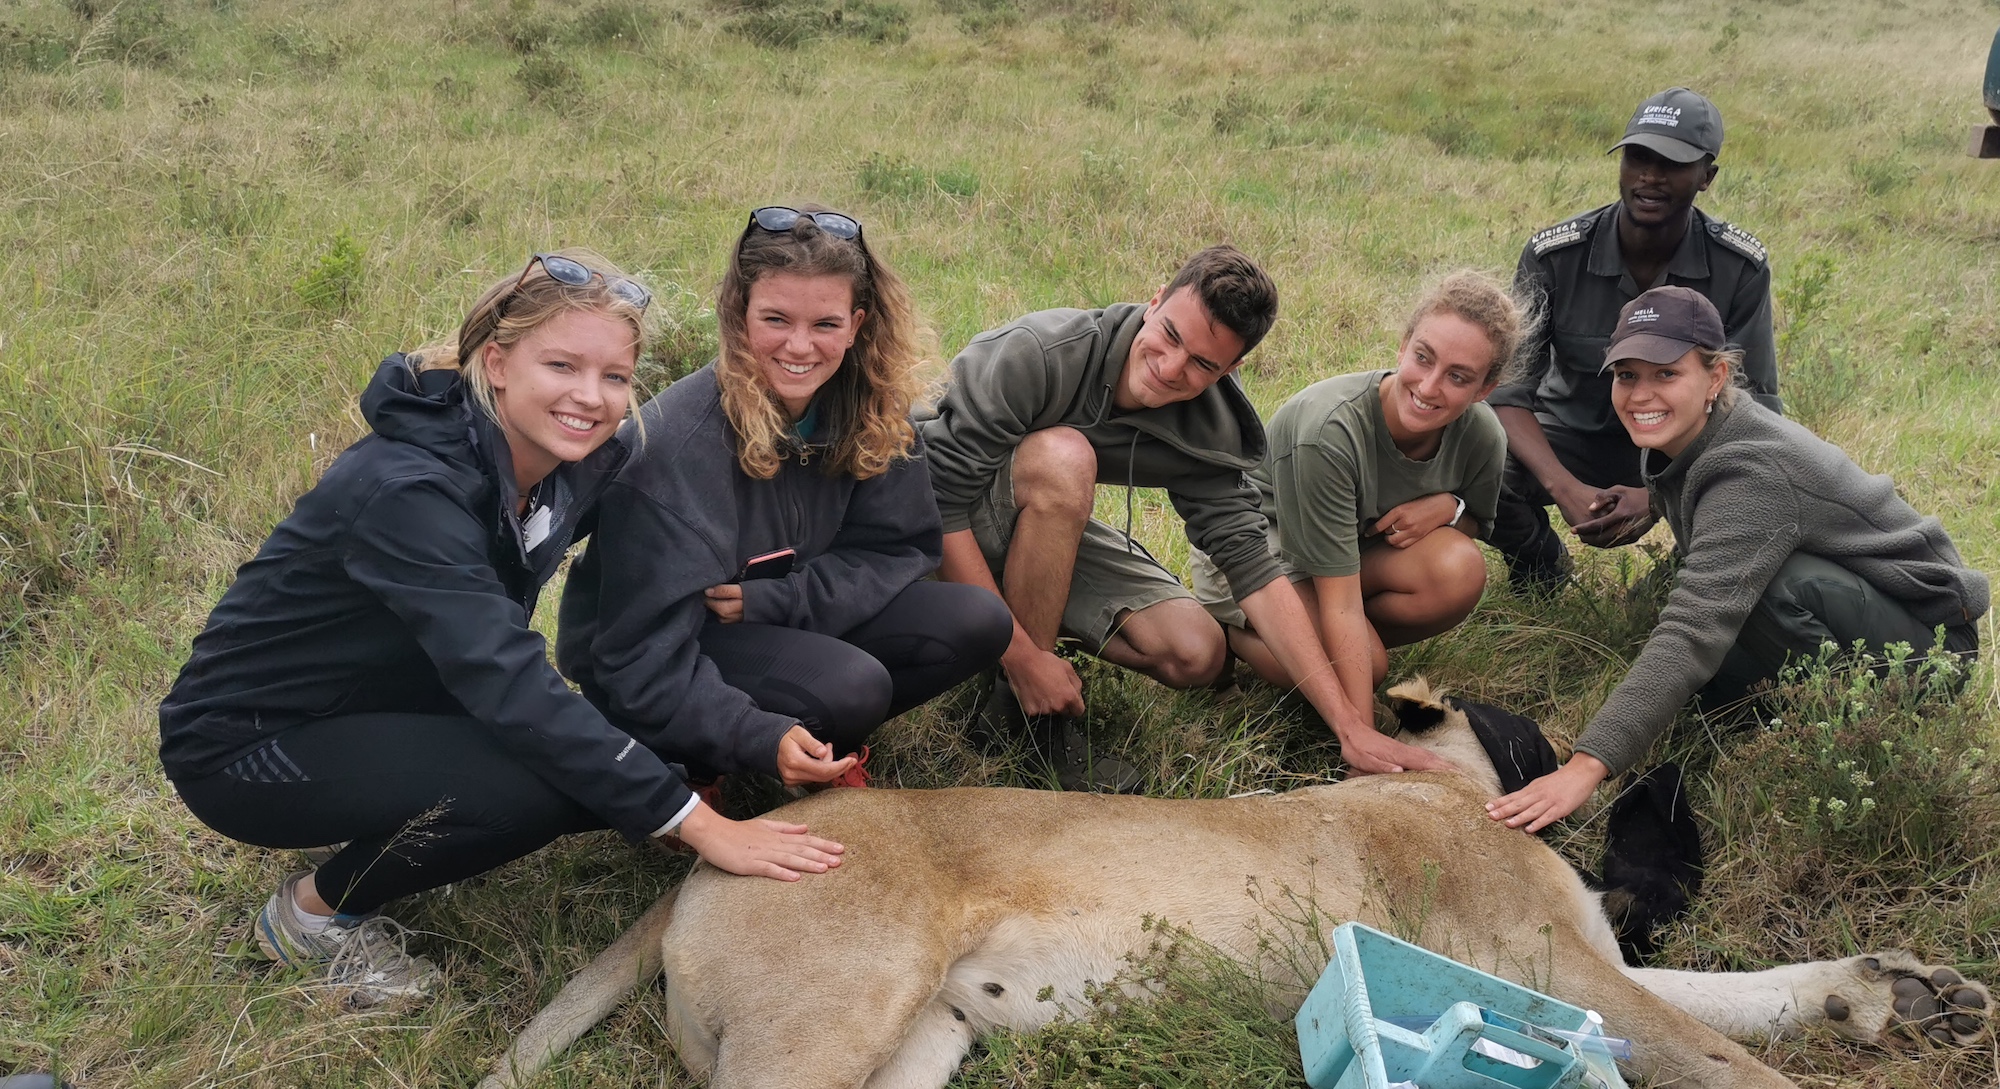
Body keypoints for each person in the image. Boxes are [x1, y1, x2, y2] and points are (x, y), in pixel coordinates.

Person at [158, 251, 845, 1006]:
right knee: (536, 789)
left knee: (620, 781)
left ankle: (382, 799)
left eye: (614, 377)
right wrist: (701, 827)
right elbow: (509, 679)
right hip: (246, 744)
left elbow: (677, 487)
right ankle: (313, 915)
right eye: (561, 365)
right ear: (496, 363)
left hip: (393, 699)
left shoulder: (574, 459)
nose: (590, 397)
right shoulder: (405, 490)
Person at [921, 245, 1453, 792]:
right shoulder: (1038, 354)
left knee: (1197, 653)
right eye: (1171, 335)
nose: (1171, 368)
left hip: (1037, 518)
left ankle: (1013, 642)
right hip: (923, 519)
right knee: (1065, 458)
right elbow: (938, 506)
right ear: (1154, 303)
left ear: (1231, 368)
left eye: (1203, 363)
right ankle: (1022, 718)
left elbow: (1253, 569)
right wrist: (1025, 658)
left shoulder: (1215, 426)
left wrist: (1349, 727)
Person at [1486, 286, 1988, 833]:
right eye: (1626, 375)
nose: (1640, 395)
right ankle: (1759, 708)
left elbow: (1693, 628)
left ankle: (1849, 729)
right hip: (1864, 606)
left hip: (1931, 647)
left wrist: (1585, 768)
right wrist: (1652, 498)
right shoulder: (1695, 433)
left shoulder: (1753, 473)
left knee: (1766, 592)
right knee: (1691, 667)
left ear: (1716, 377)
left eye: (1666, 374)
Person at [557, 207, 1011, 795]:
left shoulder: (873, 413)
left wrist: (778, 600)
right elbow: (632, 652)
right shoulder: (673, 446)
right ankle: (688, 760)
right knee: (854, 686)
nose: (800, 346)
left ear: (857, 324)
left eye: (825, 323)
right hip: (660, 649)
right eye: (775, 318)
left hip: (769, 613)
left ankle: (809, 740)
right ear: (738, 315)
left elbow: (897, 549)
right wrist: (751, 731)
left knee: (976, 619)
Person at [1489, 87, 1780, 592]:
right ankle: (1540, 566)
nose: (1649, 176)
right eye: (1638, 157)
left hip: (1681, 444)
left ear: (1707, 177)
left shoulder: (1737, 267)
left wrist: (1658, 494)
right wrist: (1564, 487)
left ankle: (1680, 588)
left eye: (1671, 163)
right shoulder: (1555, 256)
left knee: (1765, 474)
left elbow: (1757, 407)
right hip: (1569, 435)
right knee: (1473, 452)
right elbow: (1508, 393)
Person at [1190, 271, 1524, 705]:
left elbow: (1475, 523)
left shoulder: (1483, 436)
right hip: (1258, 555)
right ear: (1403, 345)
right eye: (1423, 357)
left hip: (1344, 555)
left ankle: (1333, 646)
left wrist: (1450, 508)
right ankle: (1236, 633)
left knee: (1459, 571)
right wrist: (1361, 736)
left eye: (1458, 377)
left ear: (1485, 389)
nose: (1428, 386)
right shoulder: (1328, 429)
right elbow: (1340, 600)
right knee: (1365, 671)